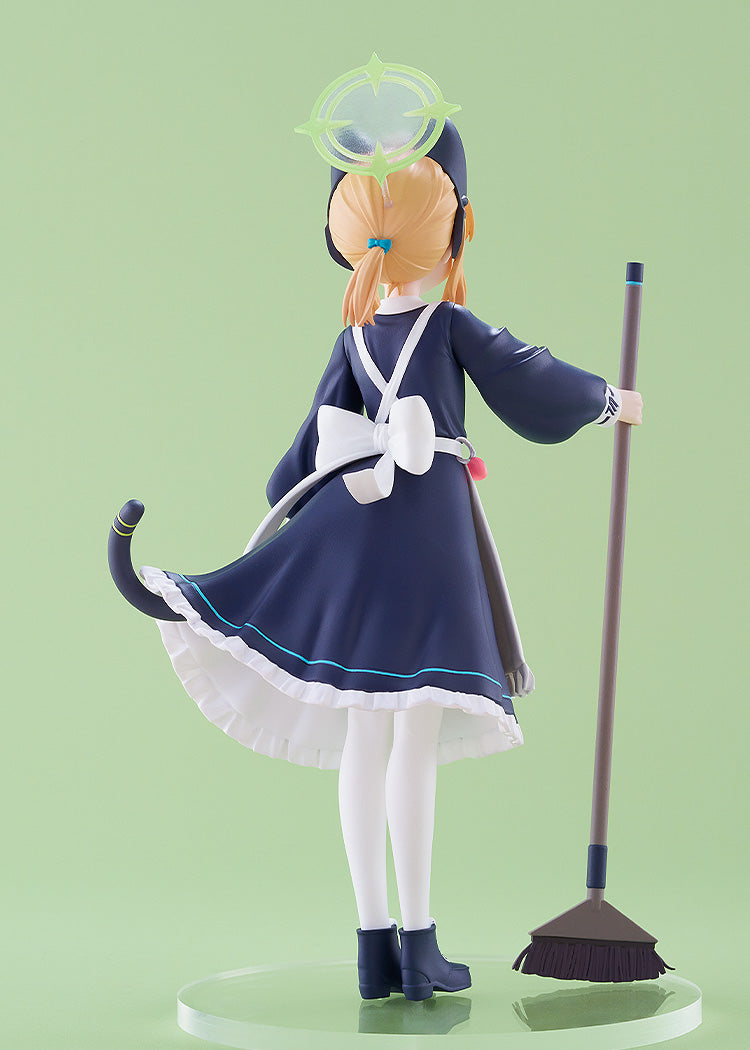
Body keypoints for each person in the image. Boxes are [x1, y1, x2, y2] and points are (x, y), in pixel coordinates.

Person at [114, 122, 642, 1003]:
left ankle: (373, 946)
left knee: (367, 732)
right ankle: (420, 943)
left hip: (359, 533)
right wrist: (610, 401)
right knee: (413, 740)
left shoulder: (353, 338)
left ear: (345, 235)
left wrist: (306, 519)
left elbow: (297, 462)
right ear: (457, 226)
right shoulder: (450, 325)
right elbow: (528, 374)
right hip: (428, 545)